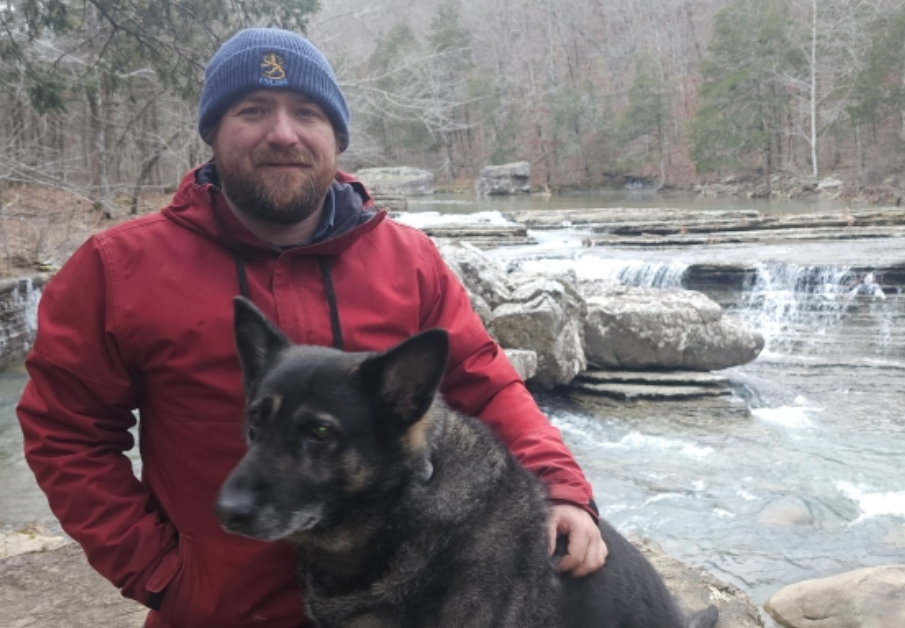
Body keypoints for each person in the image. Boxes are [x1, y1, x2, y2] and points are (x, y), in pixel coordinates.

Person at [17, 27, 606, 628]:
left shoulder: (409, 261)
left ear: (336, 138)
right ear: (213, 134)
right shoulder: (117, 268)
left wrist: (562, 489)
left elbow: (488, 386)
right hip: (217, 615)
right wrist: (163, 574)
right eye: (252, 110)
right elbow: (66, 434)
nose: (282, 133)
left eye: (307, 112)